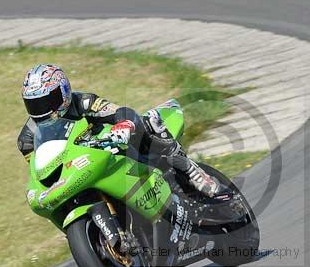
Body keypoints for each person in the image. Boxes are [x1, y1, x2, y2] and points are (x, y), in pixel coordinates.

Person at [16, 64, 221, 197]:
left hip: (108, 147)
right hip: (75, 169)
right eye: (34, 105)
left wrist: (123, 126)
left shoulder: (83, 102)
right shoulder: (26, 139)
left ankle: (190, 170)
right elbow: (39, 169)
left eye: (47, 101)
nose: (42, 110)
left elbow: (122, 112)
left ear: (64, 92)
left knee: (148, 122)